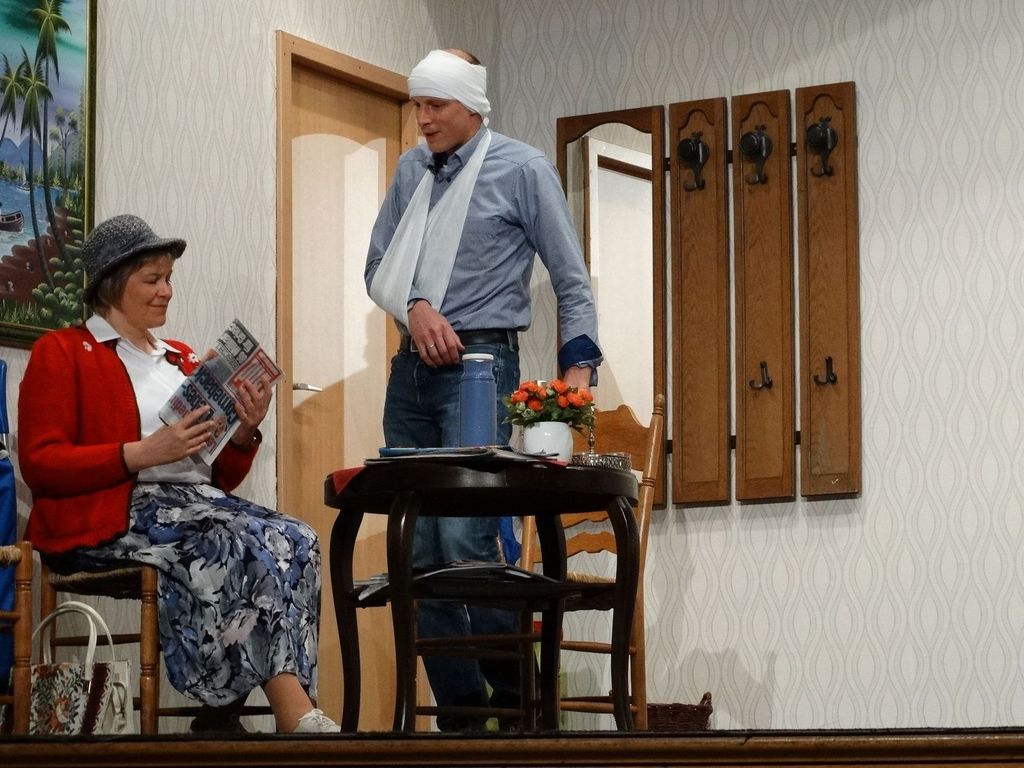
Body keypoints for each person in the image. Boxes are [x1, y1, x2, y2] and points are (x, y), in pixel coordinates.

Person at [19, 214, 340, 735]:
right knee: (229, 539)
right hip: (111, 512)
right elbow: (41, 464)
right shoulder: (62, 352)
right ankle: (292, 714)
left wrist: (244, 431)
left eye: (168, 278)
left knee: (297, 538)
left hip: (194, 503)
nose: (167, 291)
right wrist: (141, 453)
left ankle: (222, 713)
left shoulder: (182, 358)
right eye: (153, 279)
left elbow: (216, 477)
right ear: (111, 284)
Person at [364, 48, 602, 730]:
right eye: (417, 105)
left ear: (471, 105)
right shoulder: (411, 171)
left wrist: (578, 374)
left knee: (464, 543)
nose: (422, 119)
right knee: (416, 550)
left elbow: (571, 277)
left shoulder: (522, 169)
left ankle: (521, 703)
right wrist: (415, 306)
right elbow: (378, 265)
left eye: (434, 105)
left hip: (480, 366)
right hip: (412, 370)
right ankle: (465, 715)